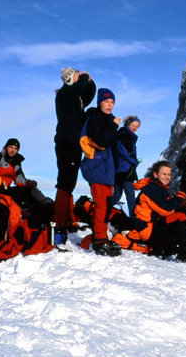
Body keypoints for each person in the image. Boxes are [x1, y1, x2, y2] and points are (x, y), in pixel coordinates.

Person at [130, 161, 186, 265]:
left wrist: (185, 200)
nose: (167, 177)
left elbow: (167, 205)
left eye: (169, 174)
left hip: (152, 225)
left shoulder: (158, 187)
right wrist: (180, 197)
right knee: (180, 217)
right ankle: (185, 253)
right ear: (156, 174)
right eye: (164, 174)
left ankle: (176, 245)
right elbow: (165, 210)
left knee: (179, 215)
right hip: (146, 229)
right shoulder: (151, 189)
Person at [80, 88, 122, 256]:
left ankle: (101, 237)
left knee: (105, 207)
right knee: (101, 207)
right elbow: (102, 141)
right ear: (100, 102)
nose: (110, 105)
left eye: (112, 102)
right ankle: (100, 240)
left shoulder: (108, 120)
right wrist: (114, 126)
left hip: (107, 171)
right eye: (106, 101)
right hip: (97, 169)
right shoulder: (95, 119)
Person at [54, 67, 97, 225]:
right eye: (77, 76)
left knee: (69, 181)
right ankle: (59, 220)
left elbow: (88, 94)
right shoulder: (65, 94)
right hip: (66, 143)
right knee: (66, 181)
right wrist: (85, 77)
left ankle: (66, 218)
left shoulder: (74, 98)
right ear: (71, 78)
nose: (80, 79)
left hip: (72, 143)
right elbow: (79, 88)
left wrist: (90, 82)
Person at [0, 138, 53, 216]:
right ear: (6, 147)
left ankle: (46, 206)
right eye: (11, 147)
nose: (12, 150)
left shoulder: (15, 163)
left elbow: (18, 178)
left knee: (30, 191)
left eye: (15, 148)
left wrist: (28, 182)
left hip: (6, 190)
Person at [112, 116, 141, 215]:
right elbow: (122, 151)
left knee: (116, 196)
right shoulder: (124, 135)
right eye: (133, 125)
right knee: (130, 196)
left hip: (120, 170)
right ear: (128, 124)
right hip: (125, 170)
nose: (135, 128)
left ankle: (102, 212)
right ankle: (133, 219)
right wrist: (134, 161)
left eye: (137, 126)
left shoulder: (125, 135)